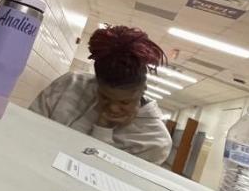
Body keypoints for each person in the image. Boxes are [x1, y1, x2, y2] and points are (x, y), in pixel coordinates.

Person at [29, 26, 173, 164]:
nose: (113, 108)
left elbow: (102, 176)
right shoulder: (70, 84)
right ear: (96, 83)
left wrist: (103, 129)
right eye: (104, 97)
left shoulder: (155, 141)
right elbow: (29, 125)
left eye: (125, 102)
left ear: (143, 89)